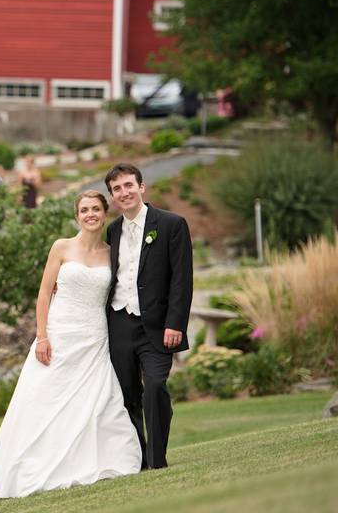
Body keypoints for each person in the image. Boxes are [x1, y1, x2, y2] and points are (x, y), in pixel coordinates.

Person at [0, 191, 141, 498]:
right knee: (45, 398)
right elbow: (44, 293)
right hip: (59, 333)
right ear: (77, 215)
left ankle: (96, 459)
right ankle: (37, 463)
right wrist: (42, 336)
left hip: (94, 336)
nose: (90, 214)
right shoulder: (61, 247)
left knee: (96, 401)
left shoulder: (112, 253)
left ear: (104, 213)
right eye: (84, 209)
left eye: (96, 209)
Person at [104, 163, 193, 470]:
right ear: (113, 196)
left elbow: (182, 279)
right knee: (127, 395)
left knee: (155, 386)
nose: (124, 192)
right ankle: (139, 458)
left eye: (129, 185)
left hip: (157, 325)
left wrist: (175, 323)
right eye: (117, 189)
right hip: (119, 324)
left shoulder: (171, 224)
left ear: (141, 187)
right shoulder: (112, 230)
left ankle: (157, 459)